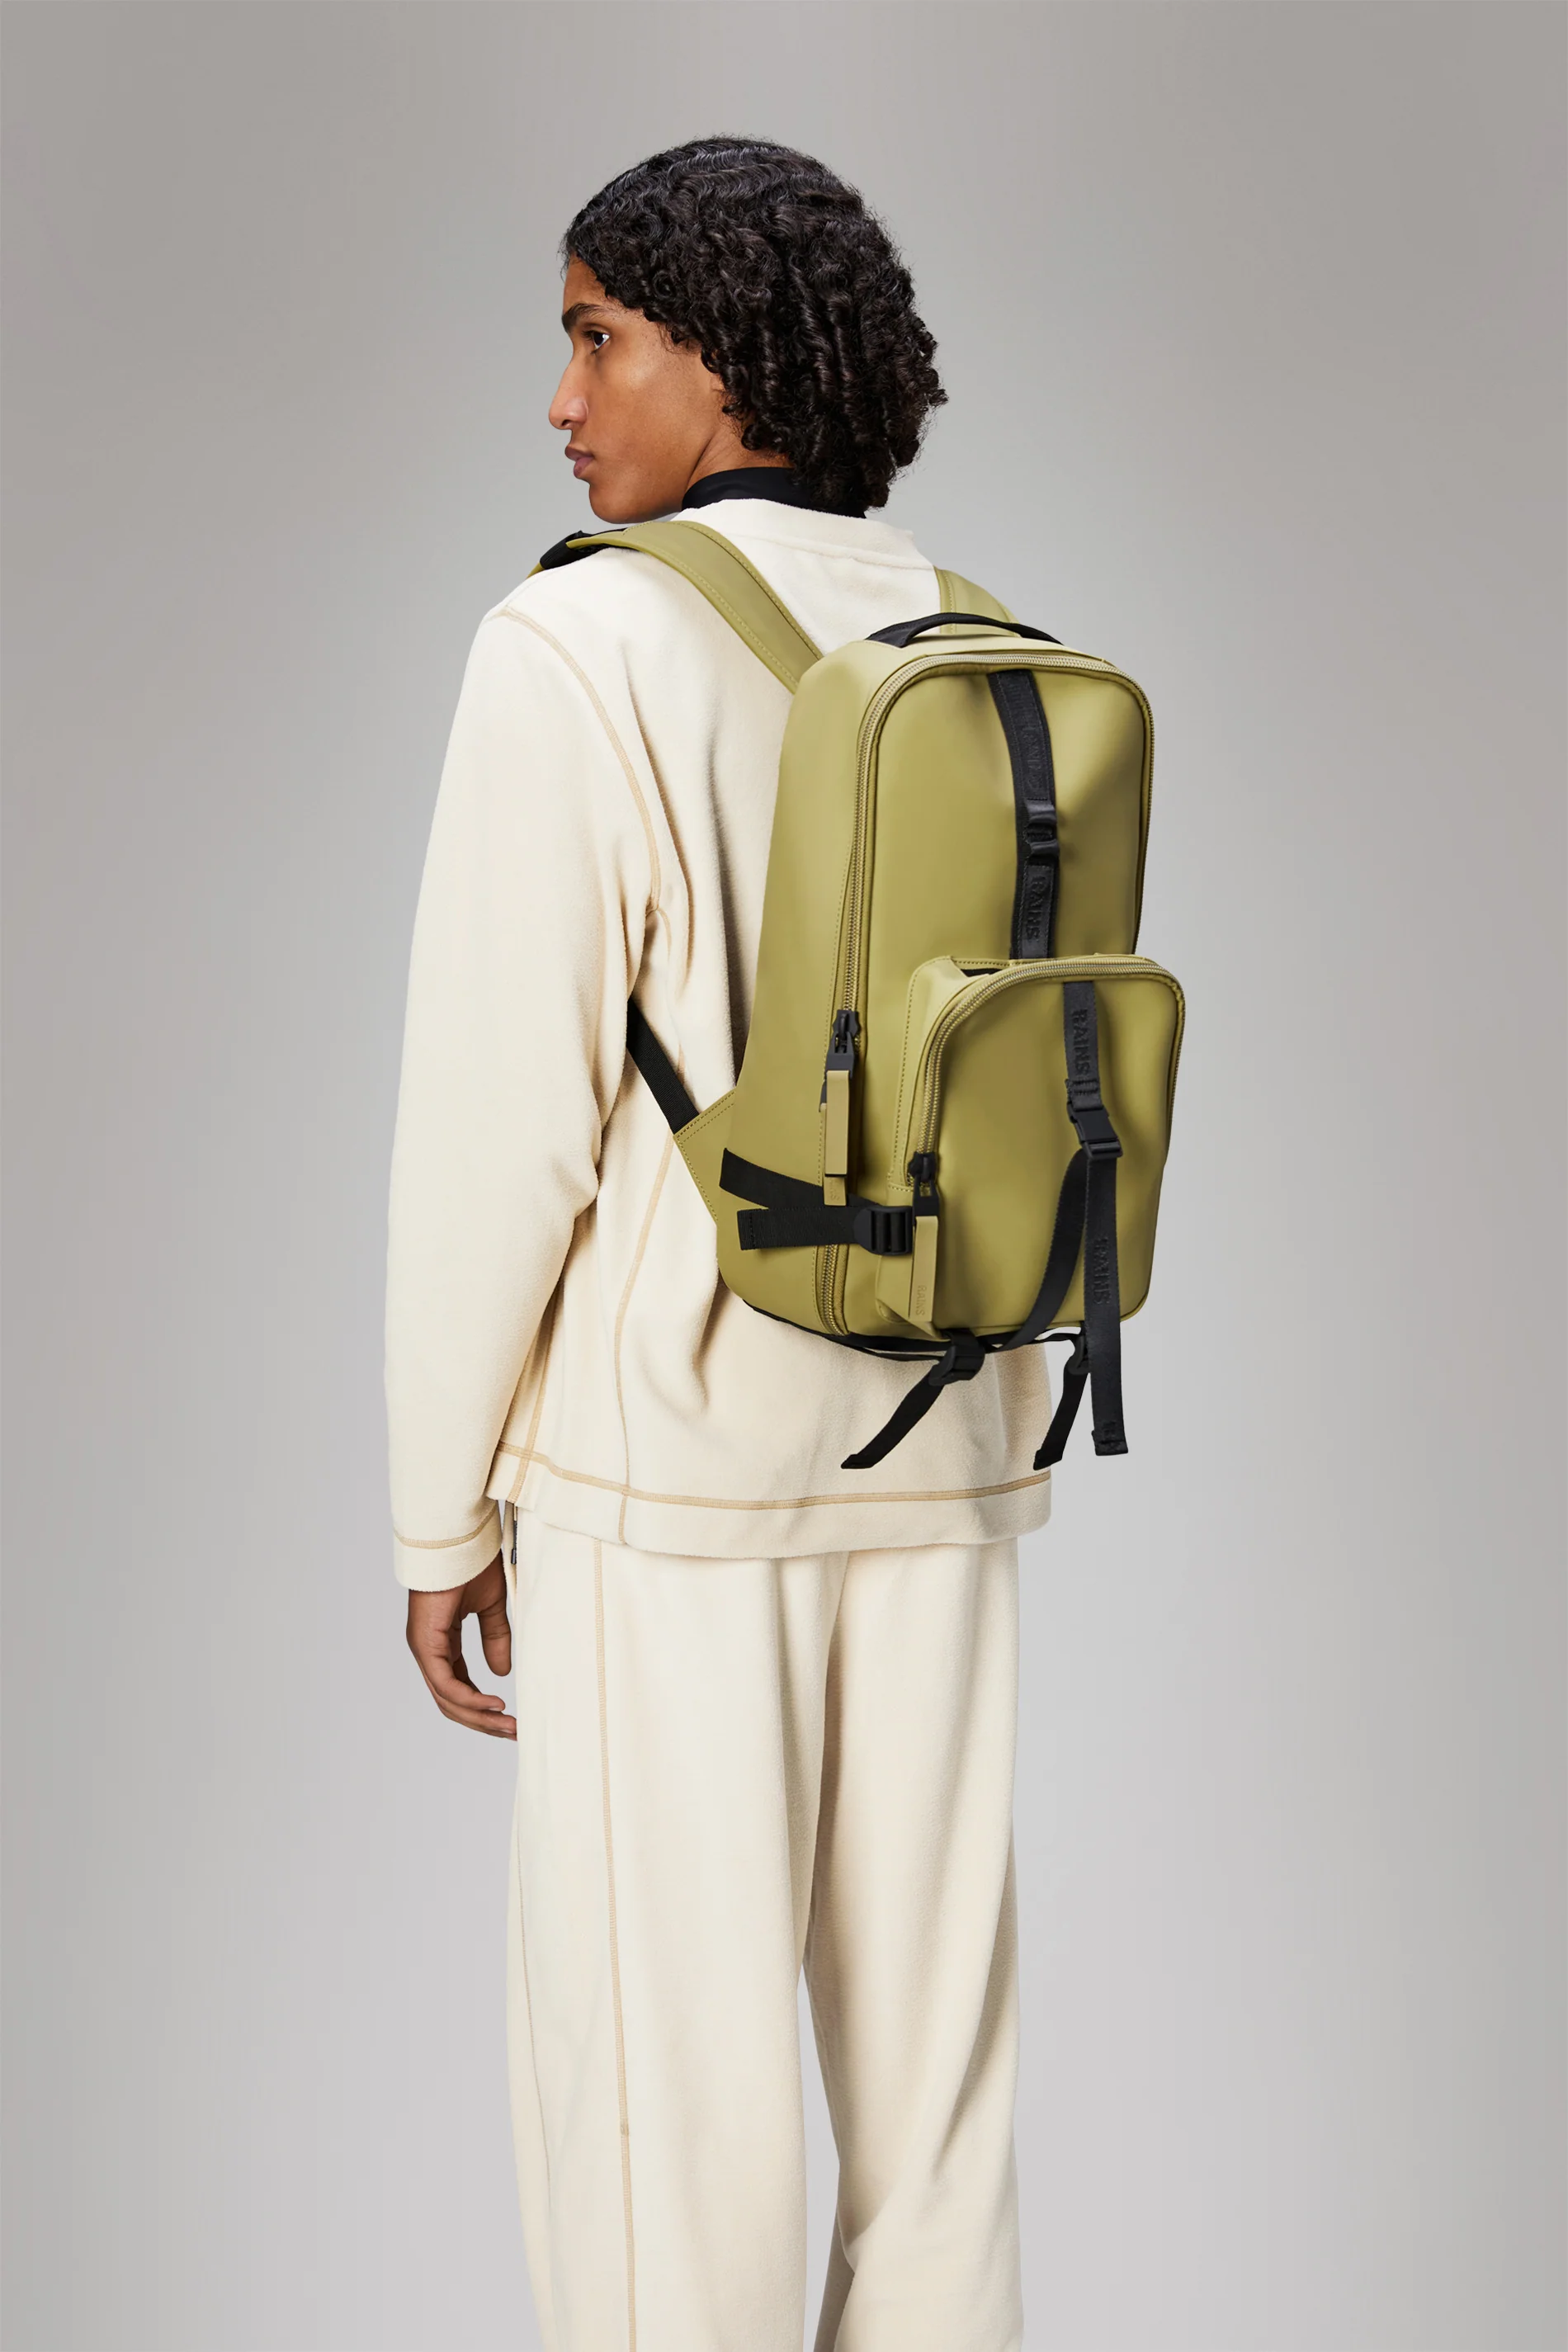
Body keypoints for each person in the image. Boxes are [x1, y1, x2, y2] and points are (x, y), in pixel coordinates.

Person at [386, 137, 1051, 2352]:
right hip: (949, 1439)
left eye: (599, 337)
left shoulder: (577, 638)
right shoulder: (979, 637)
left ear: (727, 357)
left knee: (666, 2127)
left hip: (670, 1472)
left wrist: (438, 1512)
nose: (562, 399)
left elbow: (498, 1132)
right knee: (939, 2119)